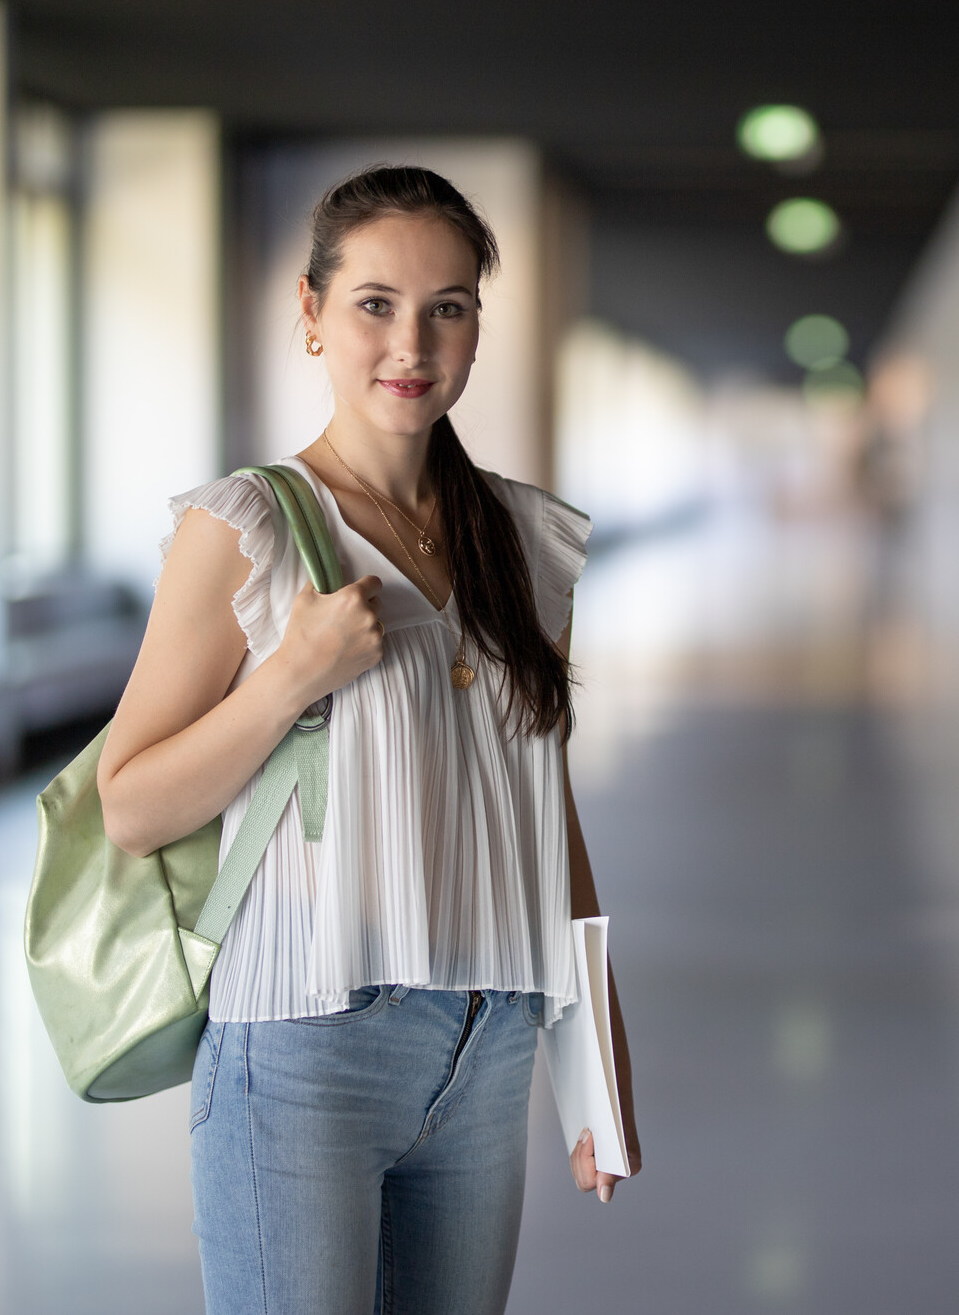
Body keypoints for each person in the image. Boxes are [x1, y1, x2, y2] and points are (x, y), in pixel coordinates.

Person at [96, 163, 640, 1314]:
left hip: (487, 1049)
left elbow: (547, 818)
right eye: (374, 304)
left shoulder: (527, 542)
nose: (412, 342)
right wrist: (286, 677)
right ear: (310, 315)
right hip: (304, 1052)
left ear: (478, 327)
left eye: (447, 306)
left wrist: (592, 1071)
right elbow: (130, 802)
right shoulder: (241, 526)